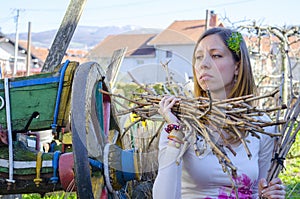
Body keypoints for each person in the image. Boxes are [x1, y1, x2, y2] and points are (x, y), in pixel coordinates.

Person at [152, 27, 286, 199]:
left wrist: (269, 195)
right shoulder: (179, 122)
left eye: (216, 55)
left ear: (237, 66)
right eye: (199, 57)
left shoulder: (260, 125)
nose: (203, 64)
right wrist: (175, 133)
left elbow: (255, 191)